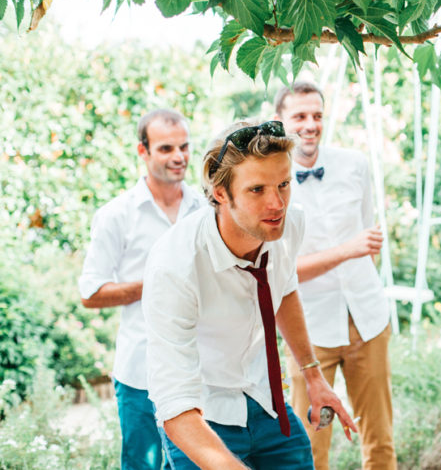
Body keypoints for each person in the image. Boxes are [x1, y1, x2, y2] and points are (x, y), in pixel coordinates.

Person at [142, 119, 357, 470]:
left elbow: (283, 289)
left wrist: (314, 376)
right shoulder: (173, 265)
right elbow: (175, 407)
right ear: (220, 193)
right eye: (257, 190)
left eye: (284, 185)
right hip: (201, 415)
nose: (277, 203)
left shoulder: (289, 225)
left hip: (265, 400)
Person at [275, 82, 396, 470]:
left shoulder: (355, 164)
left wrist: (358, 256)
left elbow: (368, 241)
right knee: (311, 448)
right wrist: (347, 250)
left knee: (379, 440)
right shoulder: (272, 185)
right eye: (299, 117)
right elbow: (282, 272)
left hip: (368, 319)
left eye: (317, 116)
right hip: (310, 335)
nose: (310, 125)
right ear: (280, 121)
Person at [78, 108, 203, 470]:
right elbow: (90, 293)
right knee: (143, 466)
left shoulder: (206, 209)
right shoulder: (116, 215)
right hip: (140, 373)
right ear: (142, 151)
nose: (179, 157)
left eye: (184, 147)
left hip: (200, 368)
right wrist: (157, 284)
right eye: (166, 148)